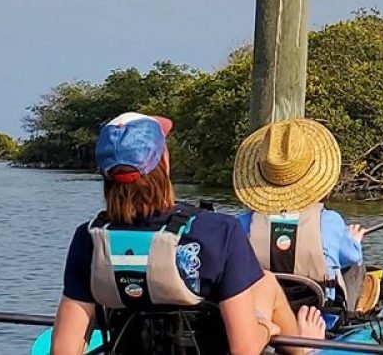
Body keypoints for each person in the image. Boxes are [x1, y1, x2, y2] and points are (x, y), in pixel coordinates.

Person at [51, 111, 326, 355]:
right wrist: (267, 327)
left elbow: (64, 350)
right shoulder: (218, 230)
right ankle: (303, 348)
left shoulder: (89, 239)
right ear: (165, 163)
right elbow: (244, 349)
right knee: (265, 283)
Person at [232, 119, 365, 301]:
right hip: (320, 313)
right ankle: (351, 317)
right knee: (357, 267)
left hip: (261, 311)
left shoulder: (242, 224)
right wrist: (353, 240)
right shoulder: (330, 221)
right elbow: (350, 256)